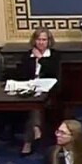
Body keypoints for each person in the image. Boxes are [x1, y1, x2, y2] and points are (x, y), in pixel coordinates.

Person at [18, 27, 61, 155]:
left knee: (35, 104)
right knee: (32, 103)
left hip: (50, 91)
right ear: (34, 41)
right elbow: (22, 75)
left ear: (48, 41)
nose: (41, 42)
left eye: (44, 40)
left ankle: (28, 141)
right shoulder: (27, 56)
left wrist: (41, 59)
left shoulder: (55, 55)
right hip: (30, 90)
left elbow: (54, 73)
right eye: (38, 39)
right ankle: (36, 129)